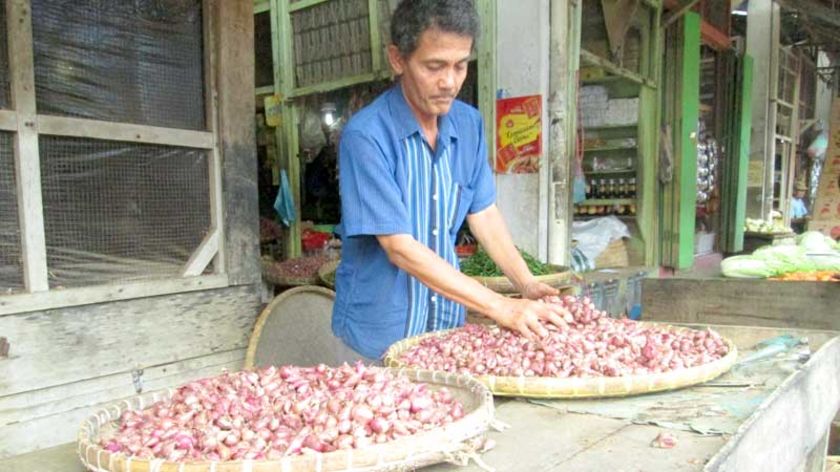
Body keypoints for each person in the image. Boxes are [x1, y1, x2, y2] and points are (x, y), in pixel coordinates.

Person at [332, 0, 569, 360]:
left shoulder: (468, 125)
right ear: (398, 59)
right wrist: (499, 306)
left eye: (461, 66)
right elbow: (399, 247)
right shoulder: (366, 136)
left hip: (444, 325)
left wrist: (526, 283)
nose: (449, 82)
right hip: (377, 333)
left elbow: (484, 213)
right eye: (434, 66)